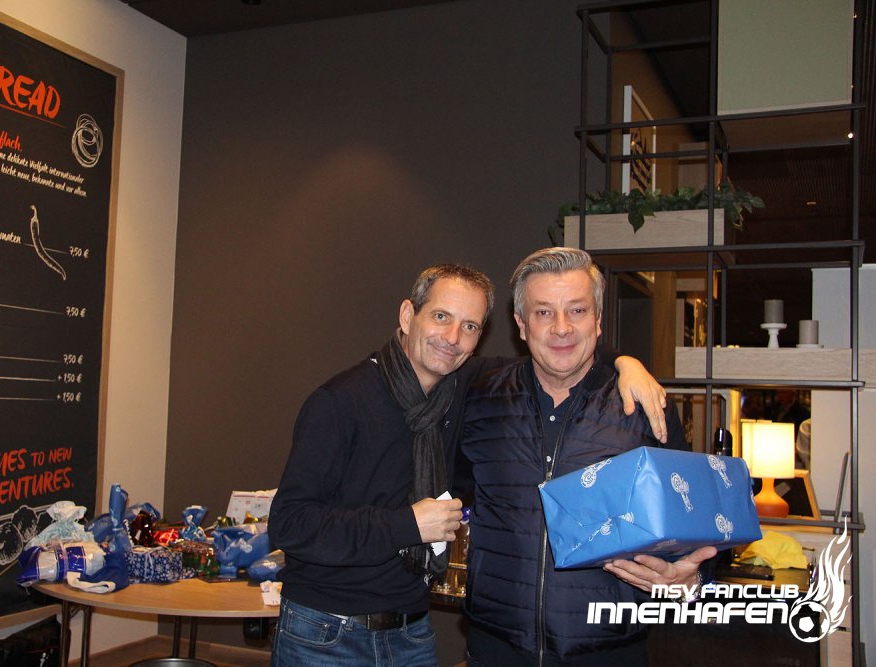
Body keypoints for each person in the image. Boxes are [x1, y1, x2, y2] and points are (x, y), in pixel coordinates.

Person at [267, 263, 668, 666]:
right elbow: (290, 523)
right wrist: (407, 525)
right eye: (441, 317)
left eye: (470, 326)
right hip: (327, 633)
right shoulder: (340, 402)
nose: (452, 338)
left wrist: (627, 363)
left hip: (411, 631)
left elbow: (561, 348)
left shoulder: (464, 386)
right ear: (407, 315)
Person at [461, 248, 717, 667]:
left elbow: (693, 526)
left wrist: (692, 578)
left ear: (598, 320)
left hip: (608, 653)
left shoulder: (643, 407)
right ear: (521, 324)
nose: (561, 327)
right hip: (496, 649)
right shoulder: (481, 397)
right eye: (543, 312)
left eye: (577, 310)